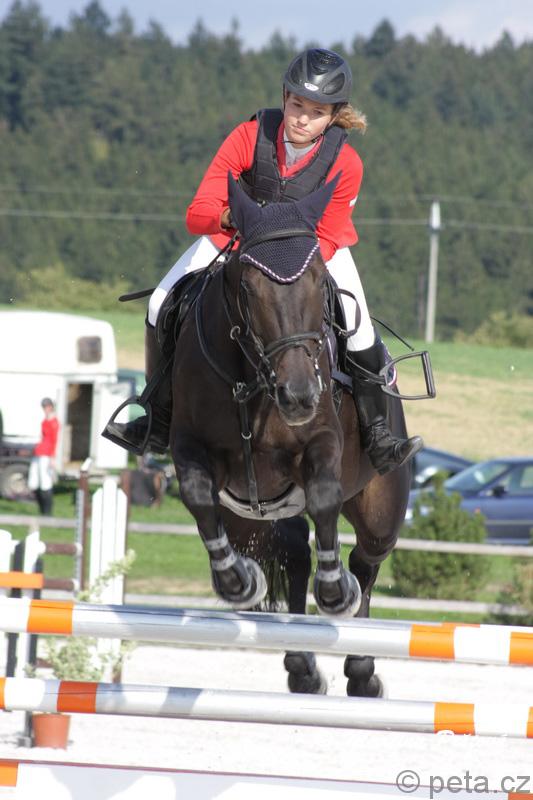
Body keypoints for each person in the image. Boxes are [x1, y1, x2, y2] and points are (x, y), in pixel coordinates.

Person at [104, 48, 422, 475]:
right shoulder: (248, 136)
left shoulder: (347, 163)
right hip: (238, 241)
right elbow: (198, 212)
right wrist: (231, 218)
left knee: (360, 327)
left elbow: (329, 235)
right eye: (297, 105)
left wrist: (286, 265)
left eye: (316, 112)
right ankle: (157, 417)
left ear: (334, 116)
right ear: (284, 97)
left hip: (312, 252)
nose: (302, 119)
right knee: (161, 301)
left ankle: (378, 433)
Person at [28, 398, 59, 516]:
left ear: (50, 407)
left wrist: (52, 457)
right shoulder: (45, 421)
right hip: (39, 452)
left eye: (46, 406)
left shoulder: (54, 422)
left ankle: (47, 511)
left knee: (45, 481)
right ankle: (41, 509)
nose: (44, 409)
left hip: (46, 454)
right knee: (34, 482)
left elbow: (54, 441)